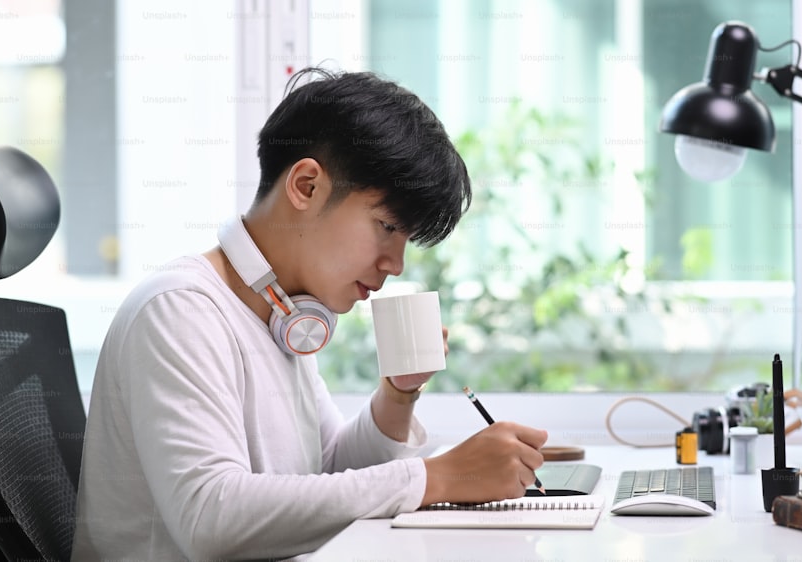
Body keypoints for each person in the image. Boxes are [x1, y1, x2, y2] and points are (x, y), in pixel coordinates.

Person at [71, 68, 548, 560]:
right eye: (386, 226)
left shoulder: (284, 313)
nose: (396, 265)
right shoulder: (180, 310)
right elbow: (210, 518)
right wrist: (440, 476)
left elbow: (329, 470)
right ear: (305, 185)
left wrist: (398, 393)